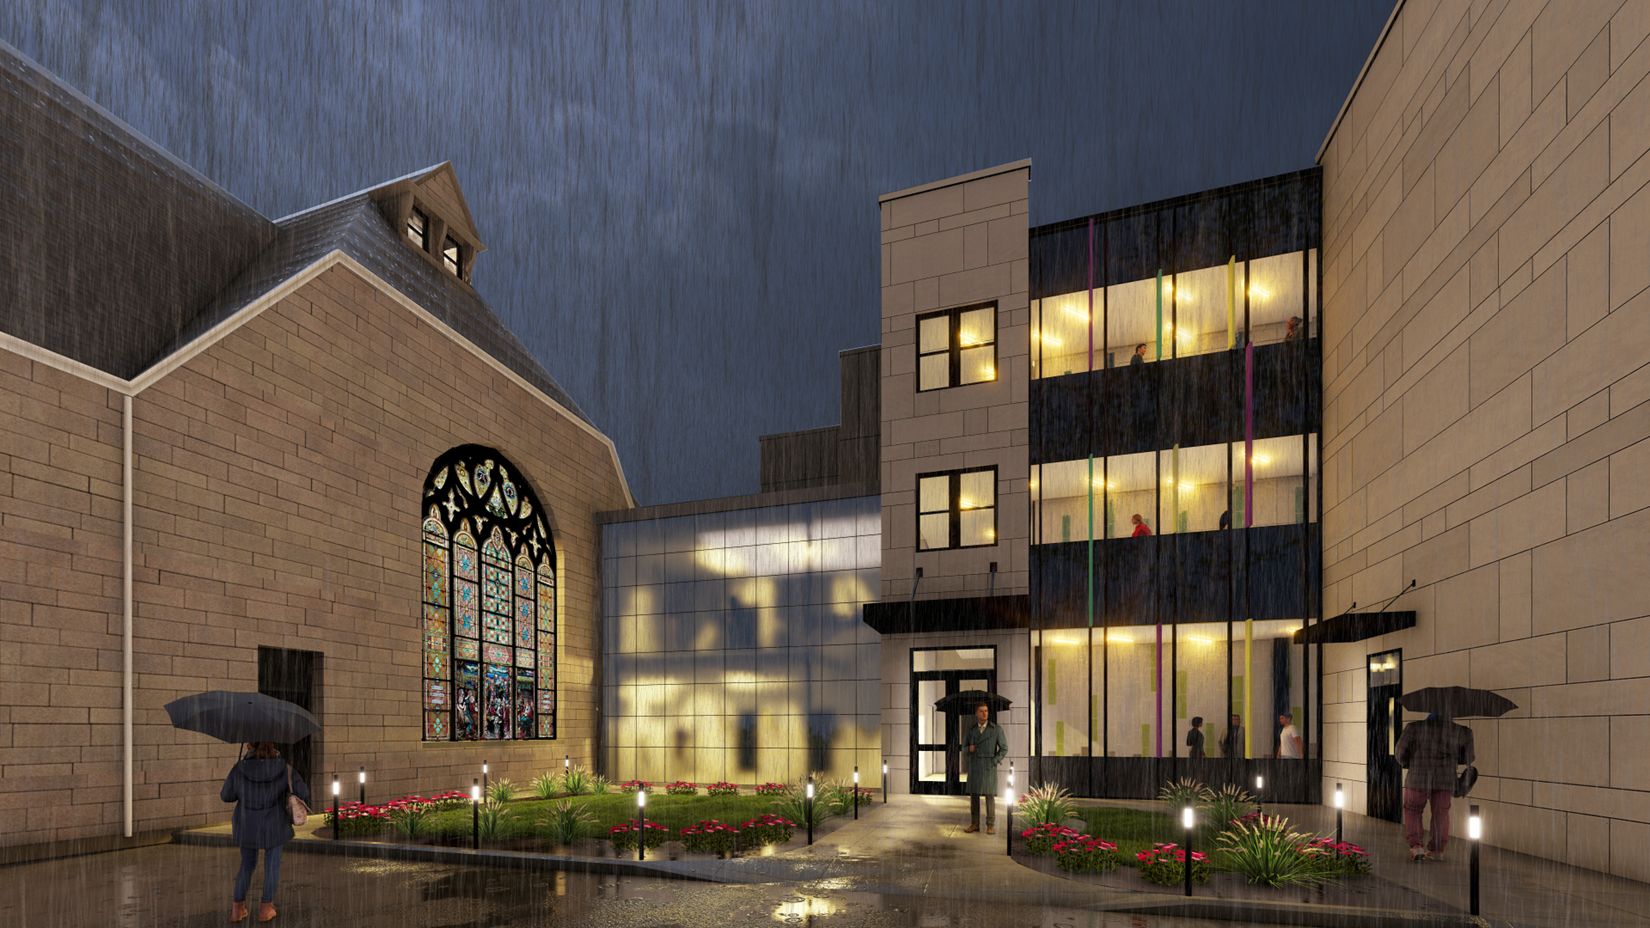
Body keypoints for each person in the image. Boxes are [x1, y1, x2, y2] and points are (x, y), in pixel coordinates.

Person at [221, 742, 309, 923]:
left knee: (247, 865)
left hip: (246, 825)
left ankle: (237, 910)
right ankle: (265, 910)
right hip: (274, 825)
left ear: (248, 747)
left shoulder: (238, 769)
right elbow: (302, 791)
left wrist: (235, 775)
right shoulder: (283, 768)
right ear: (273, 746)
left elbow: (227, 796)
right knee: (272, 866)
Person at [1394, 713, 1474, 861]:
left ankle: (1416, 846)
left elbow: (1399, 753)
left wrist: (1411, 764)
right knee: (1441, 814)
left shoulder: (1414, 728)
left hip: (1417, 779)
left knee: (1412, 810)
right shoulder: (1462, 731)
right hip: (1445, 780)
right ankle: (1437, 850)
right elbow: (1469, 757)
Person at [962, 703, 1007, 835]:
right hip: (975, 765)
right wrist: (969, 749)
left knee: (989, 796)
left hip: (988, 766)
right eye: (981, 711)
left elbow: (1004, 748)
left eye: (986, 711)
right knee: (974, 796)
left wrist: (995, 760)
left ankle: (990, 825)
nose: (984, 714)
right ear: (976, 713)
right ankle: (975, 824)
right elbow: (964, 748)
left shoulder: (996, 729)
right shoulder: (970, 730)